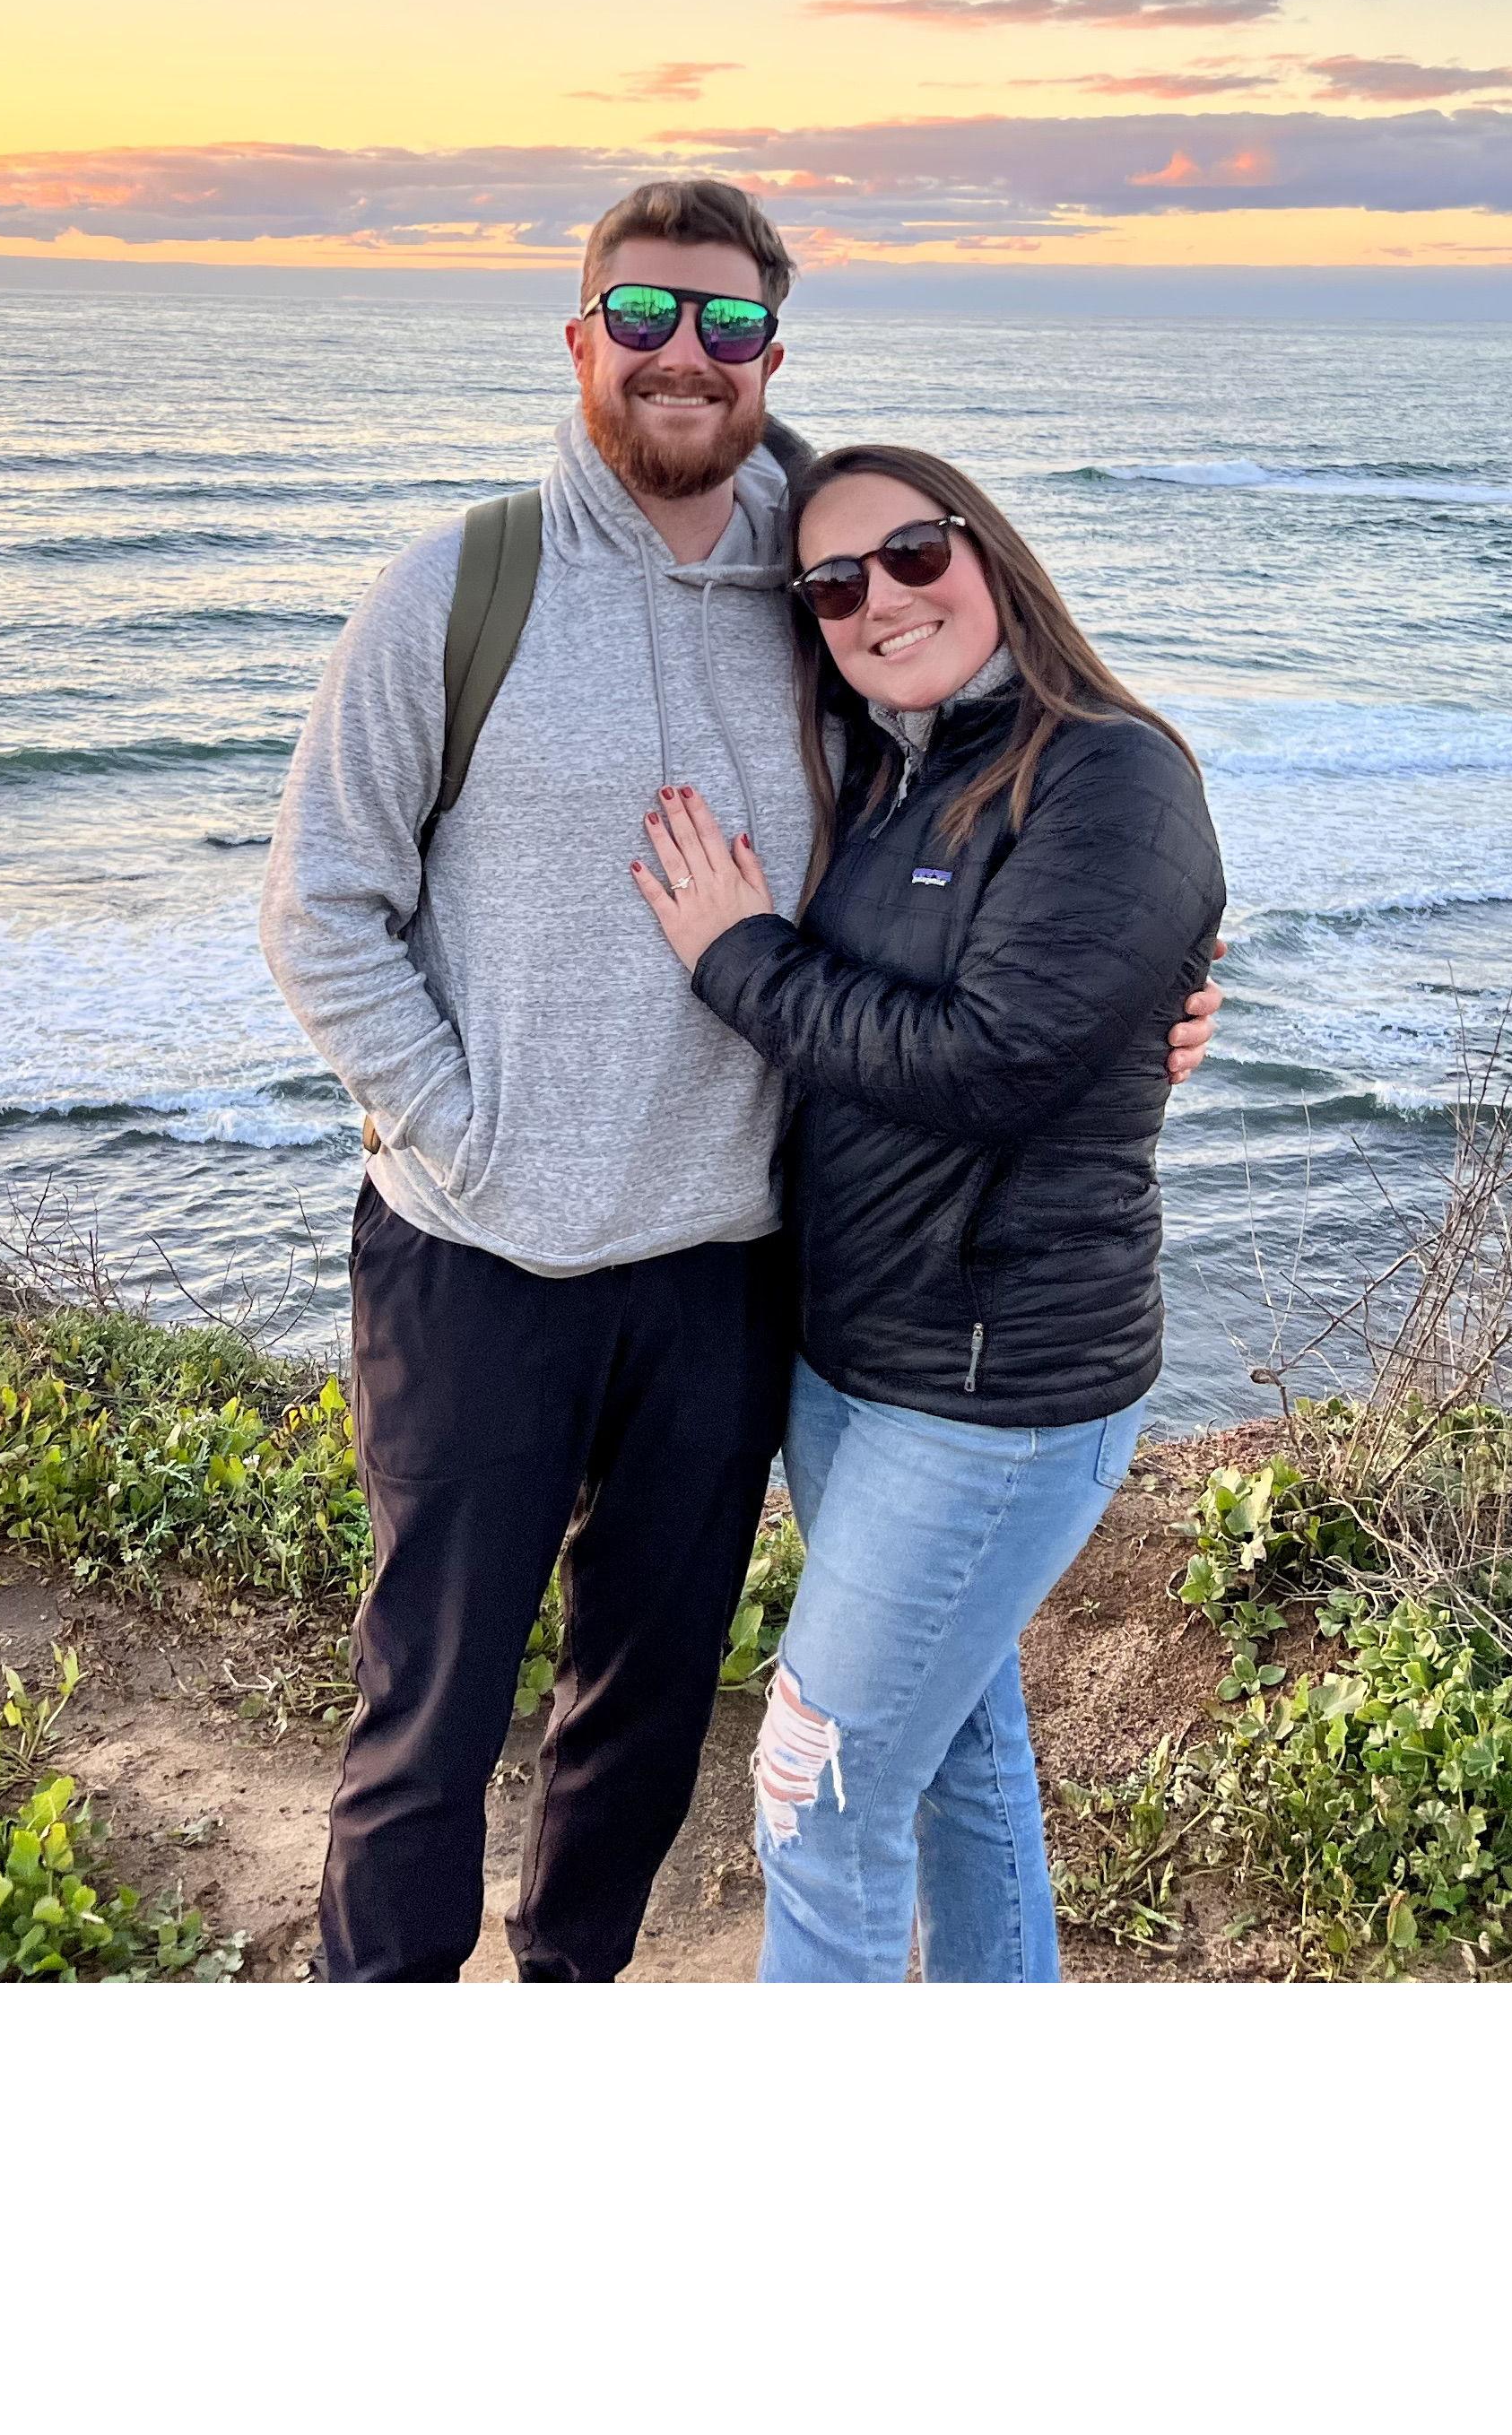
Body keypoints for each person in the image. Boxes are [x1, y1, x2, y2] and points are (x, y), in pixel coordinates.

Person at [259, 180, 1221, 1981]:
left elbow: (997, 836)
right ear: (580, 342)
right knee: (433, 1715)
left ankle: (575, 1991)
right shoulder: (456, 596)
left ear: (775, 350)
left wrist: (1140, 997)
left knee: (639, 1717)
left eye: (724, 323)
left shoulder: (825, 589)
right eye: (642, 316)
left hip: (726, 1274)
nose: (683, 355)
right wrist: (471, 1139)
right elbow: (320, 906)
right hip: (480, 1263)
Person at [630, 441, 1226, 1983]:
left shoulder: (1113, 771)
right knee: (957, 1755)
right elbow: (1018, 1008)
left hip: (994, 1396)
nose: (878, 600)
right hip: (854, 1367)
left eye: (910, 554)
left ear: (988, 548)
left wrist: (736, 955)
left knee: (815, 1802)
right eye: (830, 585)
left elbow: (994, 1065)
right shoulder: (904, 771)